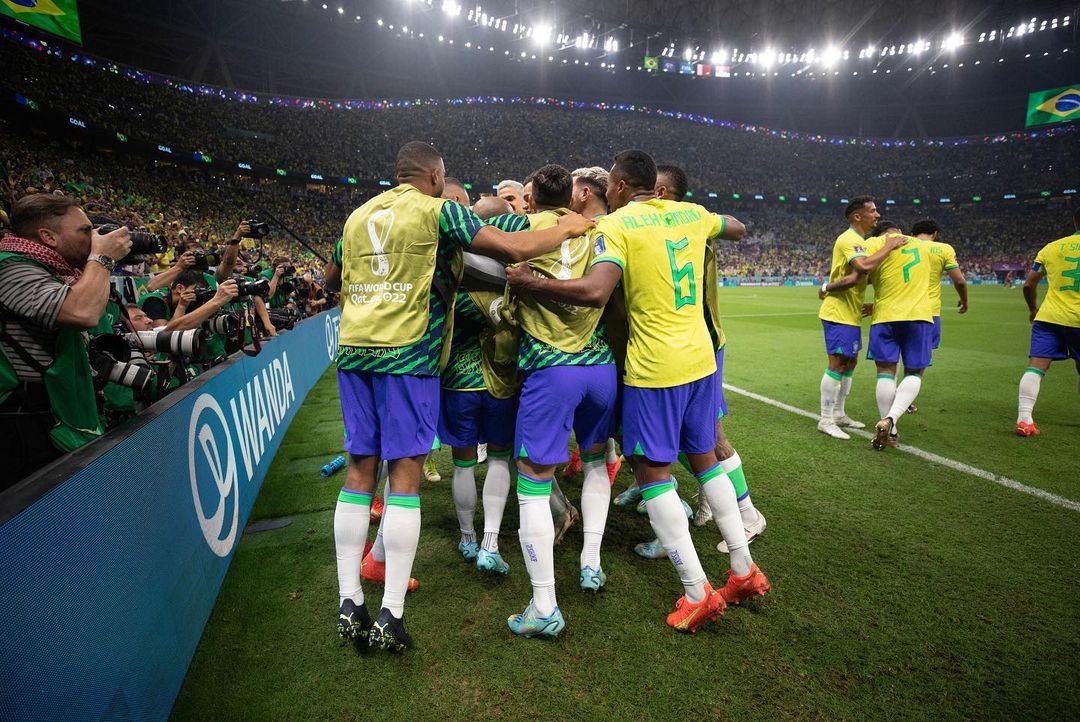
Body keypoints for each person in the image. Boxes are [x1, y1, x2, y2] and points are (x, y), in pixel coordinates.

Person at [332, 141, 592, 652]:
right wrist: (566, 228)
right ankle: (390, 613)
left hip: (353, 352)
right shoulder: (439, 211)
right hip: (407, 355)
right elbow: (512, 249)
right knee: (405, 475)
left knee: (360, 468)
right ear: (435, 175)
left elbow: (331, 277)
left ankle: (348, 600)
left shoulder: (357, 215)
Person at [507, 150, 770, 635]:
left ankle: (696, 592)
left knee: (652, 474)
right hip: (702, 360)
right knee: (705, 457)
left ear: (622, 186)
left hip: (655, 365)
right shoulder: (691, 214)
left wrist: (529, 282)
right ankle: (742, 570)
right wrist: (708, 226)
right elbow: (735, 227)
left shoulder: (619, 225)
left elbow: (594, 292)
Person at [633, 163, 766, 558]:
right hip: (676, 346)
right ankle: (708, 499)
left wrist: (711, 217)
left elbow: (738, 227)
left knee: (708, 435)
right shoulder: (654, 224)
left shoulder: (691, 221)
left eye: (654, 190)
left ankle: (747, 512)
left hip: (699, 345)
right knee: (678, 440)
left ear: (664, 193)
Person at [0, 193, 131, 483]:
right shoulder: (9, 267)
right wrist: (102, 257)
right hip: (23, 421)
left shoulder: (53, 270)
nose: (94, 237)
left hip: (51, 412)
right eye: (85, 230)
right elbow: (82, 312)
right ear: (48, 237)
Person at [816, 196, 898, 439]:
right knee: (838, 364)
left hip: (851, 313)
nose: (878, 215)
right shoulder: (848, 239)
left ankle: (839, 413)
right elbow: (861, 269)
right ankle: (826, 419)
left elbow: (861, 277)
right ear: (857, 216)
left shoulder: (859, 241)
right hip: (838, 313)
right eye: (873, 211)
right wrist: (889, 245)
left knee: (849, 364)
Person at [859, 221, 933, 450]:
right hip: (919, 316)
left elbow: (862, 272)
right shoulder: (924, 245)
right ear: (899, 232)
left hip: (885, 317)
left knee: (885, 372)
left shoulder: (872, 243)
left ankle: (891, 433)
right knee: (914, 372)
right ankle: (891, 419)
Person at [1015, 209, 1080, 437]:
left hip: (1049, 317)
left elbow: (1028, 284)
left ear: (1074, 220)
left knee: (1036, 366)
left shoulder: (1051, 247)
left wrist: (1033, 308)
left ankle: (1024, 419)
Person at [138, 269, 239, 331]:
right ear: (180, 288)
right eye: (196, 290)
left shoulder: (192, 303)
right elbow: (162, 334)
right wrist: (181, 306)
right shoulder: (154, 301)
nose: (198, 295)